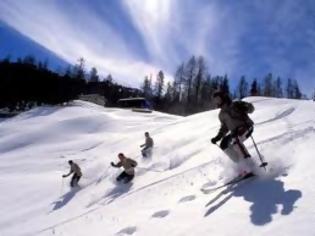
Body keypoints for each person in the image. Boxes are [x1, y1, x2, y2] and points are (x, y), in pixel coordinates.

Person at [210, 91, 255, 175]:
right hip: (235, 132)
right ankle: (241, 165)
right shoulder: (221, 114)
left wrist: (245, 107)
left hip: (246, 126)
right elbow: (224, 127)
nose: (217, 102)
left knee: (236, 140)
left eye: (218, 99)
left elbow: (251, 109)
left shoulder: (235, 104)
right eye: (215, 100)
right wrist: (218, 137)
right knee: (224, 144)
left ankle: (250, 165)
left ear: (223, 97)